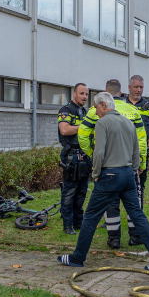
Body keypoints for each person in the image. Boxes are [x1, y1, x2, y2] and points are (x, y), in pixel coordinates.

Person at [59, 92, 149, 271]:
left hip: (109, 175)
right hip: (128, 175)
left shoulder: (102, 123)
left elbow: (99, 152)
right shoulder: (129, 122)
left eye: (96, 107)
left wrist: (96, 172)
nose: (95, 111)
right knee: (138, 215)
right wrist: (133, 170)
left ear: (103, 105)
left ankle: (77, 257)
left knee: (90, 216)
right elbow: (136, 151)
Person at [78, 79, 148, 249]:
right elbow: (141, 140)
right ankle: (135, 237)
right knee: (134, 204)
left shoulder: (96, 112)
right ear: (121, 91)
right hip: (129, 166)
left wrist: (95, 157)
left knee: (110, 203)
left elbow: (82, 135)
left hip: (107, 169)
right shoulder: (133, 111)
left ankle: (114, 238)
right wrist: (140, 164)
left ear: (105, 93)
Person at [116, 75, 149, 247]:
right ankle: (113, 224)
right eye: (136, 87)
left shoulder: (148, 105)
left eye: (141, 87)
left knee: (139, 189)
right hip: (120, 152)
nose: (139, 90)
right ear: (129, 87)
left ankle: (136, 224)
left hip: (140, 154)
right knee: (116, 191)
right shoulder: (120, 104)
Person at [57, 83, 92, 235]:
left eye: (86, 94)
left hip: (84, 156)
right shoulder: (66, 110)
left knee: (82, 192)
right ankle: (68, 225)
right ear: (74, 94)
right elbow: (64, 129)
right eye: (82, 93)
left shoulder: (84, 112)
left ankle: (79, 222)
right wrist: (85, 126)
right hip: (71, 156)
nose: (84, 97)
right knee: (70, 192)